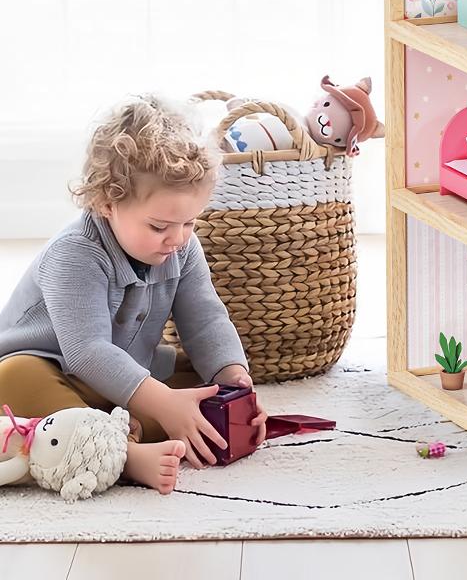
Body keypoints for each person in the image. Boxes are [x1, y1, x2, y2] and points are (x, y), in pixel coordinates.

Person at [0, 96, 267, 493]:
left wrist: (235, 385)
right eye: (159, 226)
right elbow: (87, 352)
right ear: (107, 203)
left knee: (201, 382)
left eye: (189, 223)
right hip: (54, 371)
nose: (177, 239)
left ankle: (138, 425)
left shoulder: (182, 248)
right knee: (14, 377)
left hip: (121, 380)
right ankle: (122, 456)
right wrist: (161, 402)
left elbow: (206, 320)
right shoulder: (75, 253)